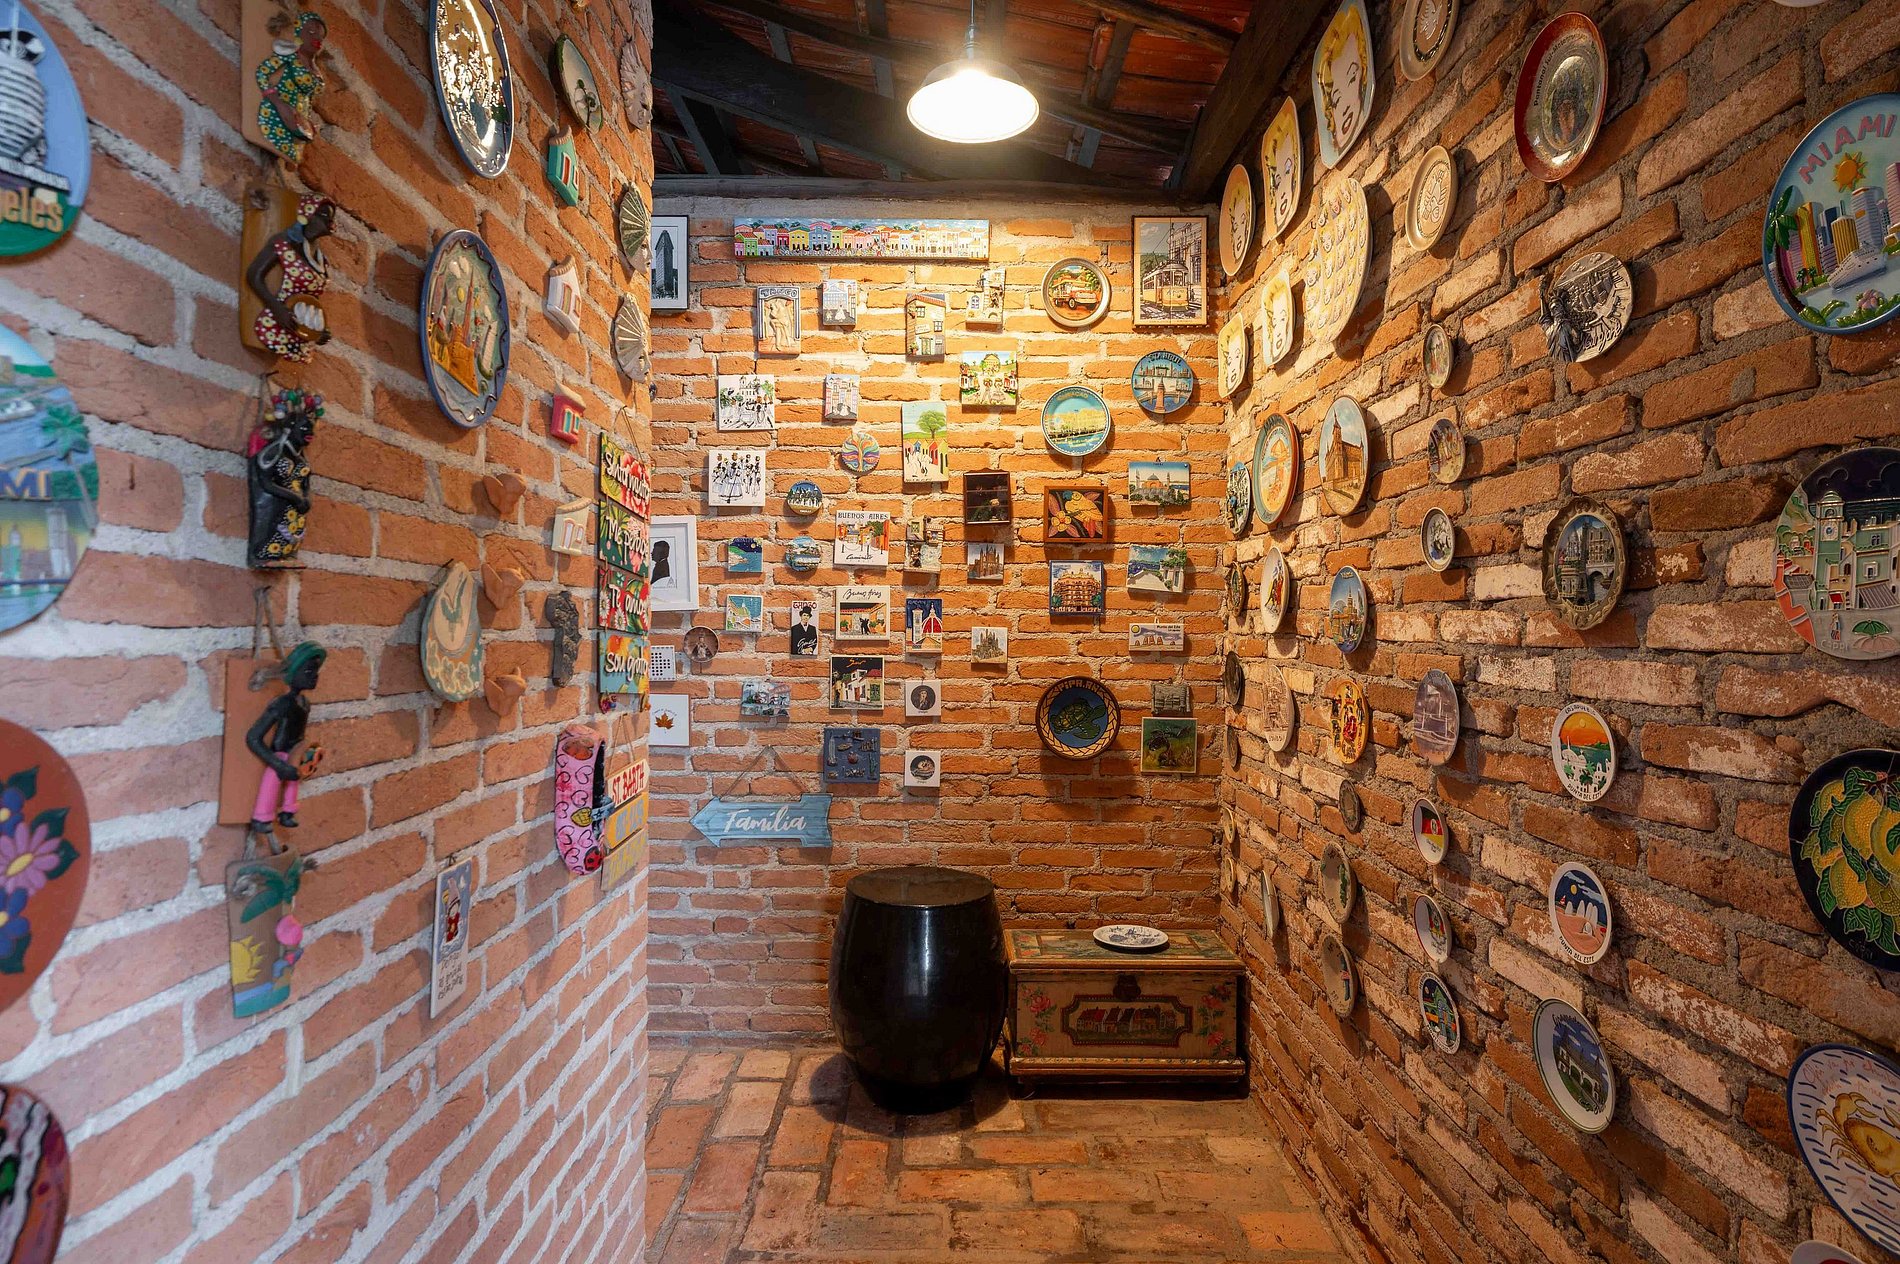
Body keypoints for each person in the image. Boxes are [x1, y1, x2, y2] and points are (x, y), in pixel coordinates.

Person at [246, 642, 326, 832]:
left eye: (316, 672)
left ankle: (288, 812)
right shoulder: (282, 704)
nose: (314, 676)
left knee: (294, 781)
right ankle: (261, 817)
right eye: (309, 671)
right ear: (293, 673)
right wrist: (277, 764)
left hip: (296, 750)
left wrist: (304, 752)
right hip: (280, 752)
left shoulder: (305, 703)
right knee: (272, 780)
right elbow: (253, 737)